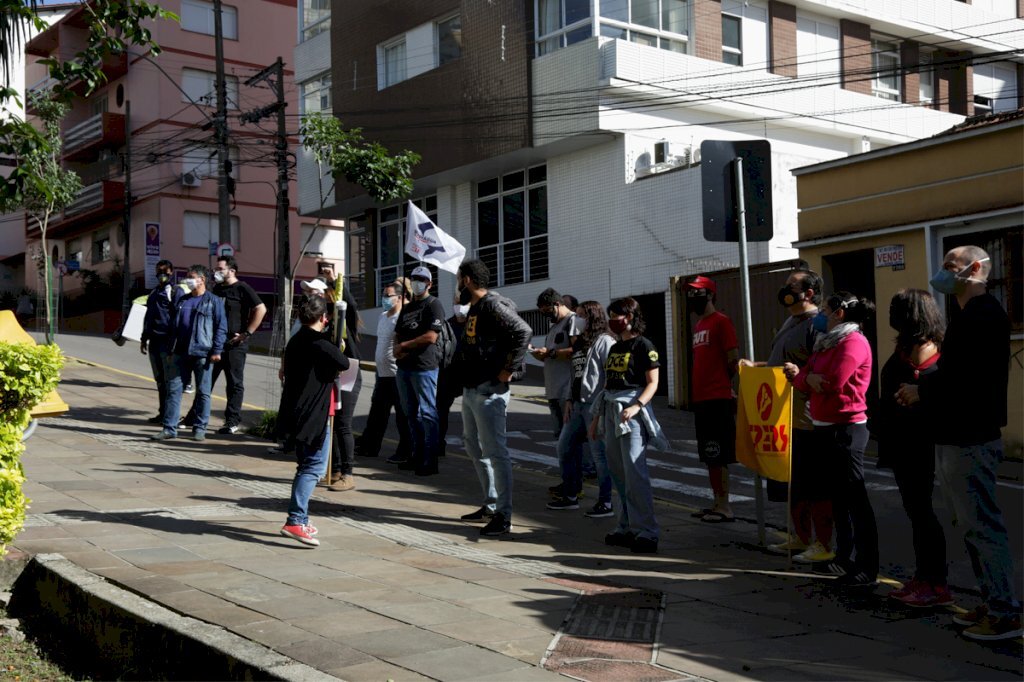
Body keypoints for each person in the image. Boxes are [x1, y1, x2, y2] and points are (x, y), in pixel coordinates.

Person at [897, 246, 1020, 641]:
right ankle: (992, 600)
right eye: (945, 265)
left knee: (982, 527)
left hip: (970, 435)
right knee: (969, 526)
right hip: (956, 434)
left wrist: (922, 391)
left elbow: (967, 380)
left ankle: (1005, 613)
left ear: (977, 268)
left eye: (952, 265)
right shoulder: (967, 315)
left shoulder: (984, 316)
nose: (944, 272)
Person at [785, 291, 878, 588]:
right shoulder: (826, 343)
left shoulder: (853, 342)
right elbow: (804, 379)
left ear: (839, 313)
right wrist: (808, 379)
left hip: (846, 429)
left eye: (825, 309)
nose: (820, 315)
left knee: (855, 498)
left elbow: (832, 382)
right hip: (823, 426)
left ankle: (866, 565)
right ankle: (843, 557)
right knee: (837, 498)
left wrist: (809, 379)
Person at [739, 268, 832, 561]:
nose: (785, 289)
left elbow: (820, 366)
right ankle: (800, 538)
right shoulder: (791, 321)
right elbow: (782, 362)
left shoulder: (818, 324)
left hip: (806, 416)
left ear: (808, 293)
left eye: (791, 285)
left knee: (814, 483)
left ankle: (823, 544)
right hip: (782, 415)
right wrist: (757, 366)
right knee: (794, 483)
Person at [877, 289, 951, 608]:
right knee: (915, 512)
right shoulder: (906, 347)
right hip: (902, 442)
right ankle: (924, 578)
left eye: (898, 309)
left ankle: (935, 584)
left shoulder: (928, 349)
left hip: (918, 443)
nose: (892, 314)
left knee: (922, 513)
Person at [456, 258, 532, 536]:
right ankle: (490, 503)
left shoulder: (493, 304)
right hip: (472, 386)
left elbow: (523, 330)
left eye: (458, 279)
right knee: (473, 444)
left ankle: (504, 514)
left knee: (496, 452)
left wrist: (508, 370)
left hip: (489, 389)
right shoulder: (476, 307)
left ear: (467, 281)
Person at [589, 297, 665, 553]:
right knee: (617, 472)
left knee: (634, 471)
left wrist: (636, 406)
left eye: (615, 315)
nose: (611, 320)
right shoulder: (615, 348)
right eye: (610, 315)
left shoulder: (644, 345)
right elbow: (608, 384)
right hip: (611, 411)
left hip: (630, 414)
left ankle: (647, 530)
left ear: (629, 317)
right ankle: (625, 526)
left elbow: (653, 382)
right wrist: (597, 419)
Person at [276, 295, 350, 547]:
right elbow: (343, 362)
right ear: (323, 318)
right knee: (313, 468)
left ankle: (302, 518)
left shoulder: (295, 340)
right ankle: (295, 520)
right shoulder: (318, 342)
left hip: (297, 411)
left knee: (305, 464)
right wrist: (335, 342)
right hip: (312, 415)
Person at [548, 301, 616, 517]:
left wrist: (601, 406)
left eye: (580, 315)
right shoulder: (579, 343)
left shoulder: (605, 341)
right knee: (564, 446)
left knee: (599, 456)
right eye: (576, 314)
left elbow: (610, 375)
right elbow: (575, 373)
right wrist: (569, 398)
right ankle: (570, 495)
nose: (576, 319)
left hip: (594, 406)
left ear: (592, 317)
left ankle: (605, 502)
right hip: (576, 404)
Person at [185, 256, 266, 435]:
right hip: (215, 343)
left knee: (234, 383)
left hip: (234, 344)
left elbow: (261, 308)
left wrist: (247, 333)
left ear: (232, 271)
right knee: (205, 382)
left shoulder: (242, 288)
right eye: (216, 268)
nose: (217, 272)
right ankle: (193, 417)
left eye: (220, 268)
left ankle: (232, 421)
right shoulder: (217, 289)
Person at [153, 265, 226, 442]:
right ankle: (169, 428)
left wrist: (217, 350)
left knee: (203, 392)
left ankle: (200, 428)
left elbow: (221, 327)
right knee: (173, 390)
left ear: (202, 279)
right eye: (187, 277)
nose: (188, 280)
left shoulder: (214, 301)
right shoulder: (182, 301)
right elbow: (173, 327)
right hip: (179, 353)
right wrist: (170, 349)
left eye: (191, 277)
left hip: (203, 353)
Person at [686, 276, 739, 523]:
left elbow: (733, 359)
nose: (692, 297)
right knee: (709, 453)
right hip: (702, 399)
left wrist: (726, 384)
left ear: (709, 294)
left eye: (697, 292)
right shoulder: (699, 324)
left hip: (718, 397)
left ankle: (724, 505)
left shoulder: (721, 322)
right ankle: (716, 501)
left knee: (720, 452)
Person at [393, 265, 446, 476]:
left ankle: (430, 460)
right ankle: (416, 455)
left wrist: (405, 346)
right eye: (414, 279)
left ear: (429, 284)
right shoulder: (407, 308)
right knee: (410, 414)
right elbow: (398, 333)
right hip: (404, 368)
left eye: (421, 280)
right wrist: (398, 349)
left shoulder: (434, 305)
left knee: (427, 414)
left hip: (424, 368)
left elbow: (431, 336)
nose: (417, 282)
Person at [354, 279, 411, 463]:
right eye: (384, 295)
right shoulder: (383, 316)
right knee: (377, 414)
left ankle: (405, 451)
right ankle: (369, 447)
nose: (385, 299)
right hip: (382, 374)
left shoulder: (403, 317)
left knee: (402, 416)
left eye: (388, 296)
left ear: (400, 297)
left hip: (397, 375)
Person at [320, 262, 362, 491]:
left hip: (349, 373)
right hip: (332, 375)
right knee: (332, 425)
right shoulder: (324, 323)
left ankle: (348, 472)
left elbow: (351, 304)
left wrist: (336, 280)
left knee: (343, 424)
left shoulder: (345, 319)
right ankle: (334, 470)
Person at [532, 288, 582, 439]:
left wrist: (551, 353)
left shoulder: (574, 320)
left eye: (547, 311)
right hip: (553, 391)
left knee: (571, 437)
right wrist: (536, 352)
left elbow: (579, 351)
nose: (546, 315)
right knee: (560, 437)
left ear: (557, 304)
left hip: (567, 390)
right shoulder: (554, 327)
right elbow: (549, 355)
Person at [140, 260, 184, 425]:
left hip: (168, 343)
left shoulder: (175, 291)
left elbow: (179, 317)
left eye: (165, 271)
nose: (161, 274)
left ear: (172, 272)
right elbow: (148, 318)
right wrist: (144, 338)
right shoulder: (153, 293)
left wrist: (176, 341)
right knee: (159, 380)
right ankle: (163, 413)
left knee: (170, 380)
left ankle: (171, 416)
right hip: (154, 342)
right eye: (159, 271)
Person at [436, 287, 470, 459]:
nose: (460, 306)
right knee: (440, 410)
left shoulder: (474, 323)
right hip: (449, 374)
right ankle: (437, 445)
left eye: (463, 303)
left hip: (470, 375)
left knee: (474, 414)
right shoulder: (447, 325)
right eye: (457, 303)